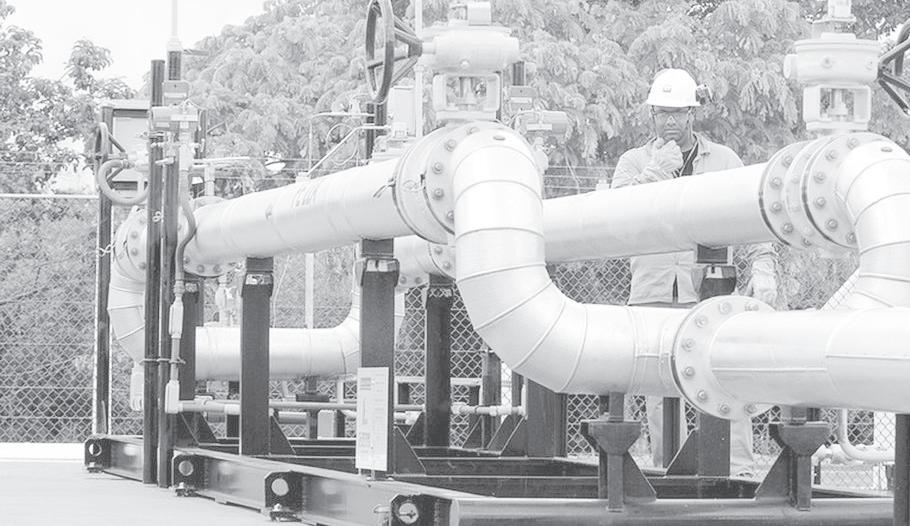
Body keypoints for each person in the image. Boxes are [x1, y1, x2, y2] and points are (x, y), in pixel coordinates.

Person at [609, 68, 777, 476]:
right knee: (657, 384)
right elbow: (613, 218)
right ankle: (671, 470)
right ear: (651, 115)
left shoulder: (724, 161)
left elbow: (752, 213)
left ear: (692, 114)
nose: (669, 121)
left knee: (722, 375)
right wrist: (656, 171)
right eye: (662, 113)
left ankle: (738, 468)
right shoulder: (634, 162)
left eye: (678, 112)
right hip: (652, 289)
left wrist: (763, 263)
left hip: (712, 289)